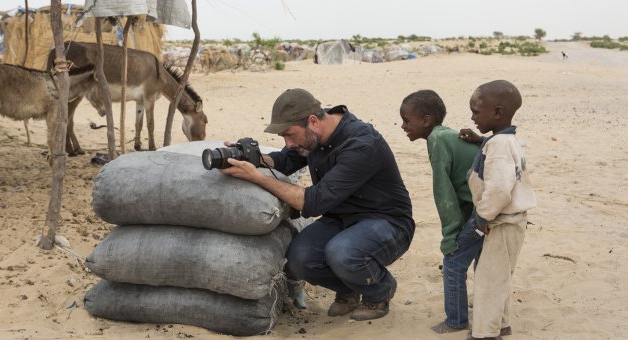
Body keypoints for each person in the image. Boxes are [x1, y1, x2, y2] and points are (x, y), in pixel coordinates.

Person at [220, 88, 415, 321]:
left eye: (289, 135)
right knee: (299, 259)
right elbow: (286, 160)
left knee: (341, 253)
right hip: (341, 219)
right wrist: (253, 158)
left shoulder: (361, 144)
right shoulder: (314, 133)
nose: (288, 143)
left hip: (386, 222)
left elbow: (313, 202)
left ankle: (379, 292)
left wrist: (256, 176)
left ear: (313, 122)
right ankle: (348, 290)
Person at [458, 80, 537, 340]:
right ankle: (501, 324)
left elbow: (500, 188)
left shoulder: (499, 146)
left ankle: (485, 333)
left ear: (498, 113)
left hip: (502, 222)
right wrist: (481, 140)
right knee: (500, 277)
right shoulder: (504, 139)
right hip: (512, 223)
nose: (472, 116)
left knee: (488, 281)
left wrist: (483, 215)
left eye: (476, 111)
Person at [399, 90, 483, 334]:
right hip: (491, 206)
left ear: (426, 120)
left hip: (485, 209)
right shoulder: (446, 135)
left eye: (406, 120)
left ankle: (456, 321)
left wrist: (450, 235)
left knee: (454, 259)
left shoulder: (438, 140)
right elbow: (463, 188)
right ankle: (488, 311)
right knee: (482, 260)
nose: (403, 126)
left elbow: (444, 193)